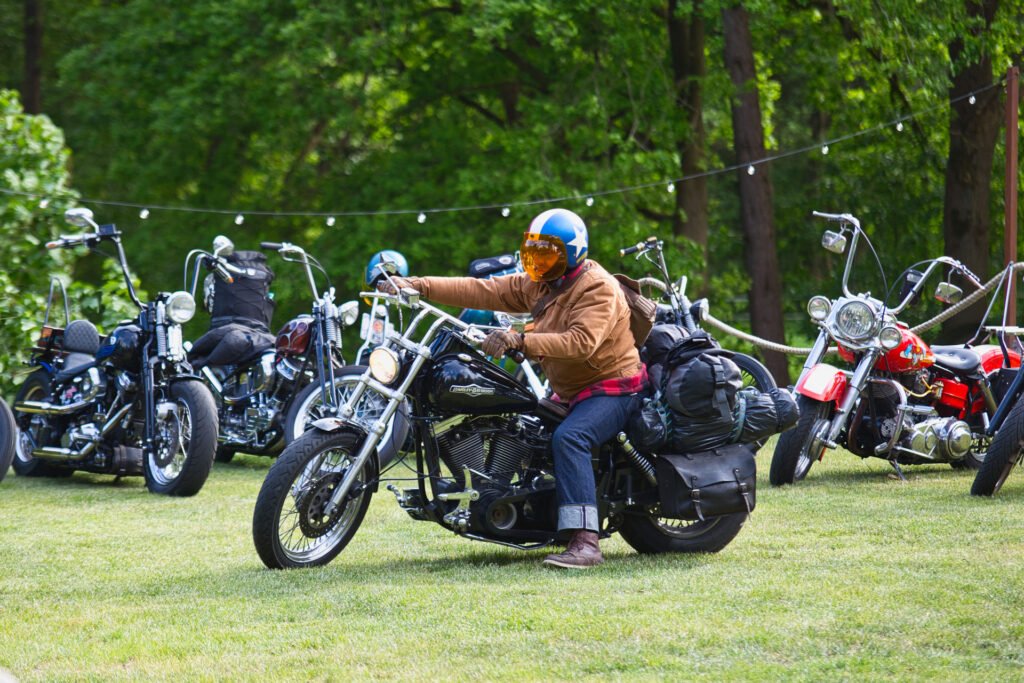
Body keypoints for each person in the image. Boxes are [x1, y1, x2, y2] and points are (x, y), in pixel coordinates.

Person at [378, 208, 646, 569]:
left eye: (547, 254)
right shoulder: (543, 284)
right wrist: (418, 285)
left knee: (571, 438)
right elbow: (483, 289)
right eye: (533, 252)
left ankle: (585, 542)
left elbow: (581, 342)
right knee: (524, 426)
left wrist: (521, 341)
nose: (538, 262)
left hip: (612, 387)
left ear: (572, 255)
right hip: (568, 387)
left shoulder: (598, 288)